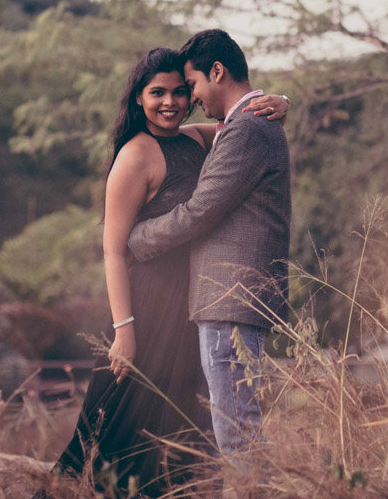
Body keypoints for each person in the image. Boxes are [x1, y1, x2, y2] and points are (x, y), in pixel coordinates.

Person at [47, 47, 289, 497]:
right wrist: (124, 329)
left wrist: (278, 101)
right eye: (157, 92)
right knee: (123, 428)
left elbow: (239, 124)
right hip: (147, 307)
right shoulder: (135, 155)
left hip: (193, 303)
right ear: (138, 97)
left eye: (180, 92)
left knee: (182, 431)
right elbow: (113, 250)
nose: (171, 103)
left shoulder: (196, 139)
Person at [127, 30, 292, 486]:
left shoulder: (247, 128)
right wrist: (282, 99)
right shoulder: (246, 122)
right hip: (231, 297)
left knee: (237, 432)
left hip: (231, 297)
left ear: (217, 72)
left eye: (192, 85)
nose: (191, 98)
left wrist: (136, 240)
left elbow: (200, 211)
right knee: (238, 426)